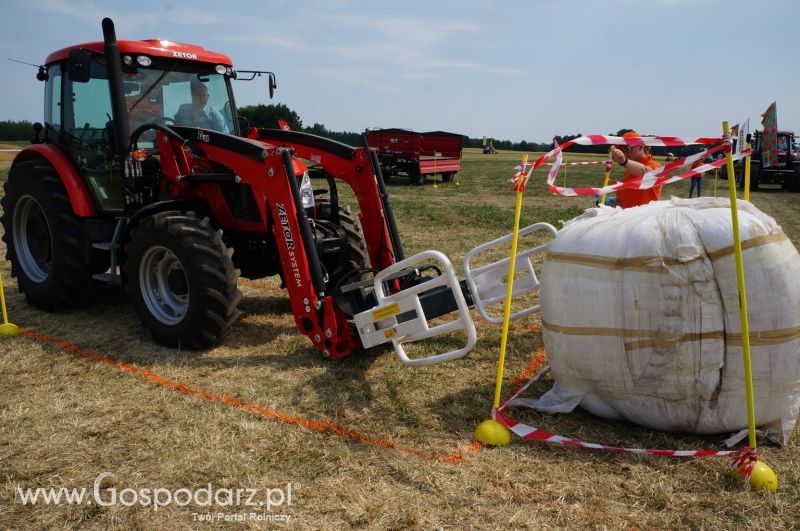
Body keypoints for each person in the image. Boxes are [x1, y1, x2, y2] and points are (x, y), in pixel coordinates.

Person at [609, 131, 662, 208]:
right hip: (627, 215)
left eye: (627, 148)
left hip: (642, 217)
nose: (624, 153)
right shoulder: (630, 167)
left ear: (641, 146)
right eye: (622, 149)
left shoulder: (655, 166)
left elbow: (648, 174)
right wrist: (615, 202)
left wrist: (624, 161)